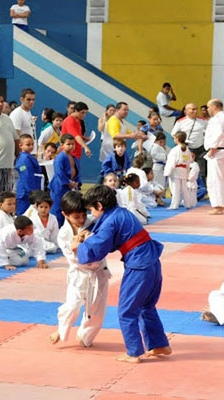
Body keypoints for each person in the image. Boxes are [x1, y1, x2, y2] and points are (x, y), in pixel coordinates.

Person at [76, 185, 171, 363]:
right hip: (152, 262)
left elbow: (97, 249)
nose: (91, 214)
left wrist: (79, 247)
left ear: (99, 205)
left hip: (139, 266)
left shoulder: (110, 220)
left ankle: (134, 352)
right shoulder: (121, 213)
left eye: (91, 210)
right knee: (146, 306)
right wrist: (91, 234)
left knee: (126, 311)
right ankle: (159, 345)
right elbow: (107, 236)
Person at [48, 191, 110, 347]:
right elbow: (74, 258)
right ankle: (61, 330)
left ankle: (85, 337)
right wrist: (79, 244)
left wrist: (87, 239)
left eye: (84, 214)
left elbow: (103, 247)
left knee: (96, 311)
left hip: (98, 272)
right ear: (65, 214)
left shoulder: (94, 223)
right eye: (76, 217)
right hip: (78, 273)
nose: (81, 220)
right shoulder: (63, 234)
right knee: (71, 306)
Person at [204, 98, 224, 215]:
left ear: (215, 107)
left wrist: (212, 148)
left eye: (208, 107)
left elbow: (218, 133)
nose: (207, 109)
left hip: (218, 152)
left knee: (214, 181)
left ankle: (218, 206)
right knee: (223, 180)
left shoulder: (218, 118)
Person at [49, 134, 80, 226]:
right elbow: (59, 172)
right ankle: (56, 229)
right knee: (58, 210)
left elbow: (77, 171)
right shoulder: (60, 157)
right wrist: (67, 182)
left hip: (70, 187)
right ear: (62, 145)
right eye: (68, 144)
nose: (71, 146)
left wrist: (77, 182)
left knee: (69, 209)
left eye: (73, 144)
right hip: (59, 188)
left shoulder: (74, 158)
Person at [173, 103, 208, 183]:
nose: (195, 111)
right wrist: (182, 144)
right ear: (186, 111)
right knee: (185, 169)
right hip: (186, 149)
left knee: (201, 170)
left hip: (200, 149)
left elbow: (210, 131)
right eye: (192, 109)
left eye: (196, 109)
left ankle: (202, 189)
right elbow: (174, 134)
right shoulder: (180, 121)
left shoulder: (203, 121)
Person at [164, 131, 193, 210]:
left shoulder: (175, 150)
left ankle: (174, 205)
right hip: (183, 170)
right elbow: (189, 161)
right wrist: (187, 172)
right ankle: (188, 204)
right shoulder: (187, 149)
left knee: (175, 189)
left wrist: (168, 172)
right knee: (184, 189)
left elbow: (171, 162)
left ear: (177, 139)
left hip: (176, 171)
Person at [15, 133, 42, 216]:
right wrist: (32, 192)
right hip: (26, 191)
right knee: (23, 214)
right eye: (28, 145)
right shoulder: (24, 159)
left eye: (32, 144)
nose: (31, 146)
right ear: (21, 145)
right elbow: (26, 176)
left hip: (32, 188)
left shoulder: (29, 157)